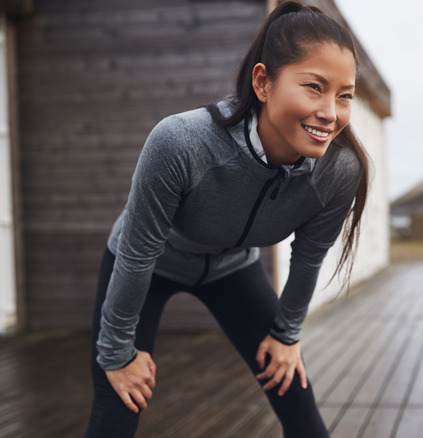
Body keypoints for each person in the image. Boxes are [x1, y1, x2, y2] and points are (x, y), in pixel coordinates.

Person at [83, 2, 369, 437]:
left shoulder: (339, 170)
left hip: (234, 268)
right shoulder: (181, 143)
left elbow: (309, 259)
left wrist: (287, 335)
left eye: (344, 95)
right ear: (263, 82)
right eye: (314, 87)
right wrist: (116, 354)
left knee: (296, 395)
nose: (331, 113)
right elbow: (138, 255)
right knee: (117, 402)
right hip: (149, 265)